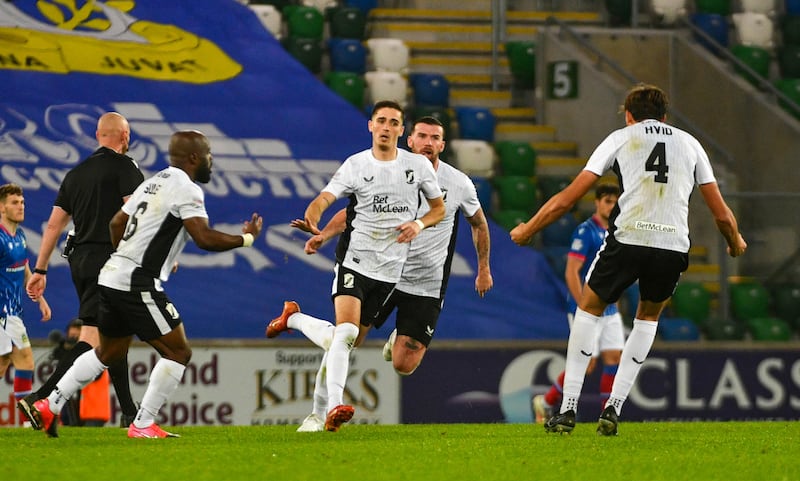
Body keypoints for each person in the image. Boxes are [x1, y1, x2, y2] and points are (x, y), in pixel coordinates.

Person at [510, 83, 746, 436]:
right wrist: (735, 242)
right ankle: (614, 408)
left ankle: (569, 407)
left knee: (589, 308)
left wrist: (528, 229)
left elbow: (568, 198)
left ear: (628, 114)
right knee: (648, 318)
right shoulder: (691, 144)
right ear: (665, 117)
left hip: (629, 237)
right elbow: (722, 215)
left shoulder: (621, 137)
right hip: (672, 245)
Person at [23, 130, 263, 438]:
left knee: (107, 353)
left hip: (110, 275)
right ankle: (143, 423)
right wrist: (247, 239)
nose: (211, 161)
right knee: (179, 353)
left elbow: (116, 223)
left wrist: (123, 255)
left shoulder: (152, 181)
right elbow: (204, 238)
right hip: (136, 282)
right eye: (208, 155)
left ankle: (49, 404)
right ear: (193, 158)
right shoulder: (186, 189)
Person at [269, 116, 493, 432]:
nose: (428, 143)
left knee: (404, 365)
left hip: (426, 284)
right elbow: (353, 214)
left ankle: (297, 321)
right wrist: (324, 236)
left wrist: (483, 268)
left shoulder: (459, 183)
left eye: (435, 138)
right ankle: (317, 413)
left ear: (442, 145)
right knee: (346, 339)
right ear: (410, 141)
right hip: (384, 272)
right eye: (422, 136)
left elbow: (479, 224)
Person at [19, 112, 143, 427]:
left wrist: (41, 270)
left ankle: (130, 413)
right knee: (92, 339)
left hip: (80, 261)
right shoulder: (126, 168)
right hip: (110, 260)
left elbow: (53, 226)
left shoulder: (75, 174)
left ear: (98, 135)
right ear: (124, 136)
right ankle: (40, 399)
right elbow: (137, 216)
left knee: (115, 332)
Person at [532, 183, 624, 424]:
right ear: (597, 202)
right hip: (587, 307)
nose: (611, 206)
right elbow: (572, 272)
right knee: (588, 362)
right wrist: (583, 303)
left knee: (614, 357)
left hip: (610, 308)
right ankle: (547, 401)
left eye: (615, 202)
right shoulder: (586, 232)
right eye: (607, 201)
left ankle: (607, 415)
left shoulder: (618, 232)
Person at [0, 184, 52, 423]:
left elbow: (24, 271)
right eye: (14, 203)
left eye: (21, 202)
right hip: (3, 314)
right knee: (26, 360)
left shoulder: (19, 236)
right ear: (2, 208)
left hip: (14, 312)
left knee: (4, 366)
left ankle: (27, 415)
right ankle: (30, 417)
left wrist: (39, 298)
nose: (20, 206)